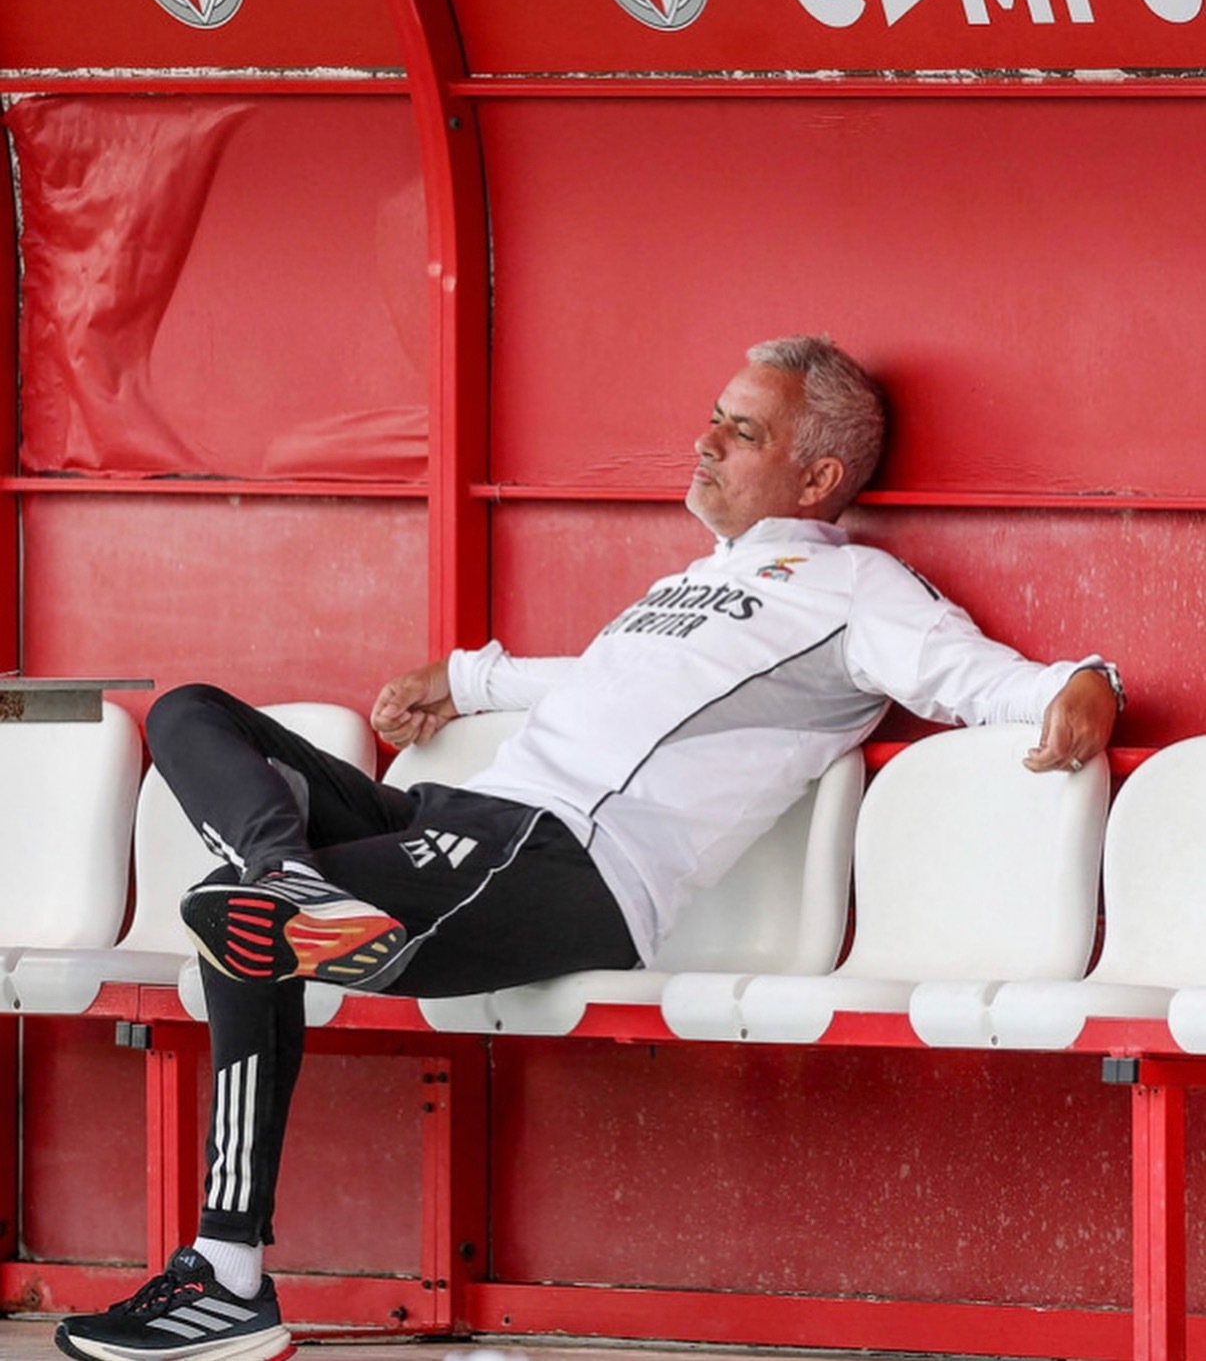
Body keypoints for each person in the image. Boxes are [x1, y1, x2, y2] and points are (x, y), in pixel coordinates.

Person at [55, 335, 1123, 1361]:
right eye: (714, 417)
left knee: (240, 923)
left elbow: (973, 674)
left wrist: (1080, 683)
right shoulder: (690, 585)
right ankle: (289, 877)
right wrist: (467, 679)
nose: (706, 441)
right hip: (457, 816)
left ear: (817, 478)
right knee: (193, 712)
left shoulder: (860, 591)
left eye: (743, 431)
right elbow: (606, 683)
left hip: (565, 864)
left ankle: (227, 1277)